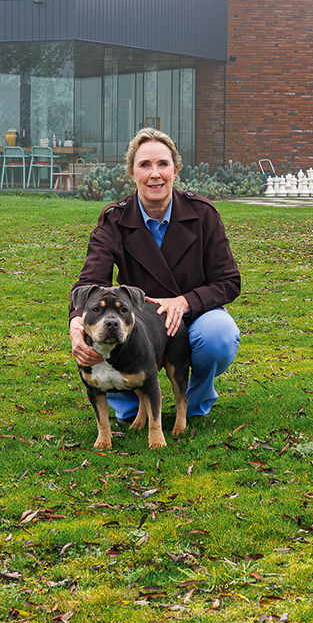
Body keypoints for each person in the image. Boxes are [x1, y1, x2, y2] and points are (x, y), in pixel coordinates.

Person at [68, 127, 241, 423]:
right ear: (132, 173)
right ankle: (131, 394)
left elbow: (229, 281)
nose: (155, 174)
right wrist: (75, 324)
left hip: (195, 313)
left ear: (175, 169)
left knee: (218, 336)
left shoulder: (203, 214)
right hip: (137, 323)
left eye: (163, 164)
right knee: (132, 415)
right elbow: (90, 281)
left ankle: (194, 404)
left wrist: (184, 302)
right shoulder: (115, 220)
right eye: (145, 165)